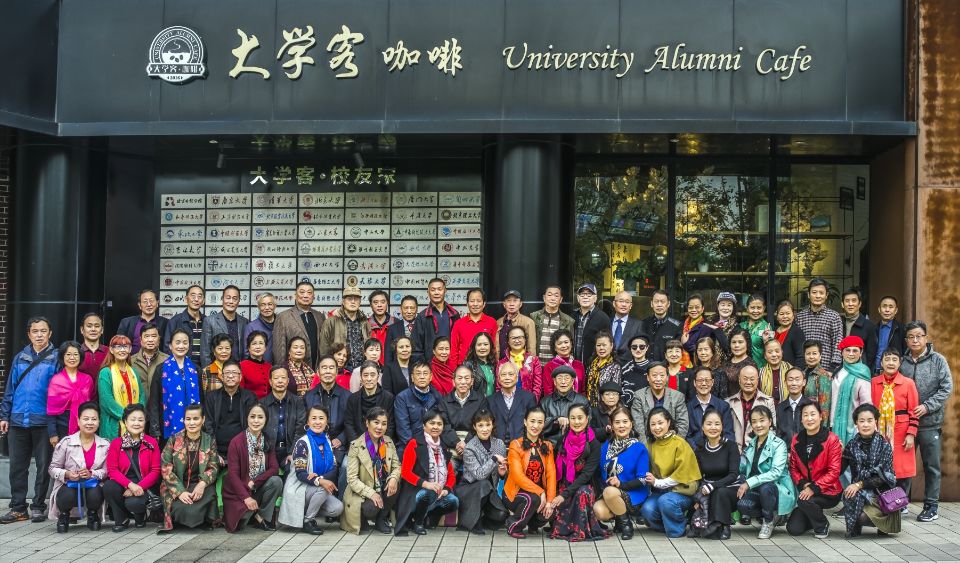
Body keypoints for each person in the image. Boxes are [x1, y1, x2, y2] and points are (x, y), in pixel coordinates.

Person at [0, 317, 60, 524]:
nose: (39, 335)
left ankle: (38, 506)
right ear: (29, 334)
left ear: (50, 333)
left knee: (43, 467)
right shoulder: (20, 357)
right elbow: (10, 388)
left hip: (43, 420)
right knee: (17, 466)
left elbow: (58, 392)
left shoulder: (56, 358)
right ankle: (18, 507)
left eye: (43, 331)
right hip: (17, 419)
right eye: (35, 331)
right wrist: (4, 415)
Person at [899, 320, 952, 522]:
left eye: (919, 336)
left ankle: (931, 506)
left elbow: (946, 388)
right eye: (911, 337)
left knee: (931, 466)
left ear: (926, 338)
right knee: (904, 465)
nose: (915, 340)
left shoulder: (938, 360)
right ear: (906, 340)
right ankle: (901, 503)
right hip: (906, 425)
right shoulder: (901, 361)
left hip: (930, 423)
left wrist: (927, 406)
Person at [278, 405, 345, 535]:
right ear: (308, 422)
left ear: (326, 422)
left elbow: (334, 468)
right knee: (323, 488)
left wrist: (319, 478)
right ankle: (308, 521)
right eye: (314, 418)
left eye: (321, 418)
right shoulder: (302, 443)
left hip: (314, 489)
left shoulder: (327, 441)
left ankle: (305, 512)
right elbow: (300, 474)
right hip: (299, 488)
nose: (317, 422)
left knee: (337, 508)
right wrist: (319, 480)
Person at [547, 404, 609, 542]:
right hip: (564, 484)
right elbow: (555, 468)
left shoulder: (593, 443)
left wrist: (564, 494)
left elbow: (586, 475)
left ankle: (580, 530)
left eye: (580, 418)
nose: (576, 422)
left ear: (587, 419)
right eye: (573, 418)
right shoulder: (563, 440)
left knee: (582, 492)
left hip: (585, 485)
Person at [47, 402, 111, 533]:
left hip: (92, 484)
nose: (90, 423)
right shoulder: (66, 442)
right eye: (86, 419)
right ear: (78, 421)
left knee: (95, 493)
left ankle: (93, 515)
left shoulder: (105, 444)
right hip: (69, 484)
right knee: (67, 495)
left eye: (94, 419)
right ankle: (64, 516)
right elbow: (52, 468)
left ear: (99, 421)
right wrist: (67, 474)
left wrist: (92, 473)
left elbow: (107, 471)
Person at [394, 409, 459, 536]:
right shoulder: (414, 443)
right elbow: (405, 472)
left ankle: (428, 517)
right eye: (431, 423)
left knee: (453, 502)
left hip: (438, 491)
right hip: (416, 491)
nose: (435, 427)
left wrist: (446, 489)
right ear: (424, 426)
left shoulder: (443, 446)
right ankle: (418, 523)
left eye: (439, 424)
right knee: (427, 493)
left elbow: (451, 475)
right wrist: (426, 484)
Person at [158, 403, 220, 533]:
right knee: (185, 510)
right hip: (177, 485)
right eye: (188, 419)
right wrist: (180, 492)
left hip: (199, 486)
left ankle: (196, 518)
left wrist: (202, 484)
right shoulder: (174, 440)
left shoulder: (209, 440)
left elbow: (214, 467)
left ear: (203, 420)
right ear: (184, 420)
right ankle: (190, 518)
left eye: (196, 419)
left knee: (210, 492)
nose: (192, 423)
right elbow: (165, 468)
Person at [736, 405, 796, 539]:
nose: (758, 425)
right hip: (756, 489)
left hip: (777, 489)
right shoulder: (751, 444)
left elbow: (775, 473)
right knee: (743, 505)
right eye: (754, 421)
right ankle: (773, 515)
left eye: (762, 420)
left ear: (770, 421)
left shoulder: (779, 444)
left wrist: (748, 483)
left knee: (766, 488)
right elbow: (743, 469)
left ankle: (768, 521)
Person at [841, 404, 901, 537]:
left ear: (876, 422)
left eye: (869, 420)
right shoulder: (851, 445)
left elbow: (884, 478)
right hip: (859, 494)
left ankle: (884, 524)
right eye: (861, 421)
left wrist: (859, 484)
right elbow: (838, 469)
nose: (865, 425)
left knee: (862, 517)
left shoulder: (884, 446)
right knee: (851, 495)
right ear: (856, 423)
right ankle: (855, 527)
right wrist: (834, 452)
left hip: (883, 496)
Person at [641, 407, 701, 538]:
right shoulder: (650, 444)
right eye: (653, 424)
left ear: (668, 423)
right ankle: (671, 525)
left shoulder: (680, 443)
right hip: (661, 491)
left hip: (683, 491)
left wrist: (657, 482)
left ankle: (677, 530)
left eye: (660, 423)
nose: (657, 427)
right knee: (647, 509)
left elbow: (680, 476)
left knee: (666, 501)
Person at [222, 404, 282, 533]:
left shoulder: (267, 440)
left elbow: (274, 468)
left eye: (260, 417)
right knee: (243, 516)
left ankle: (262, 517)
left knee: (276, 481)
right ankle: (252, 514)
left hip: (256, 487)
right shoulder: (236, 442)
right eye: (252, 416)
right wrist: (246, 498)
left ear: (266, 419)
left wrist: (256, 482)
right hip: (239, 492)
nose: (256, 421)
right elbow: (233, 475)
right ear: (247, 418)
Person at [787, 399, 842, 538]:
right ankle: (814, 516)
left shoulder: (832, 439)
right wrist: (804, 484)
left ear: (820, 416)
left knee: (804, 501)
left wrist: (813, 488)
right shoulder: (796, 439)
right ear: (801, 419)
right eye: (805, 415)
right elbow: (793, 467)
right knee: (794, 529)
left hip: (828, 490)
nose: (809, 418)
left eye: (813, 414)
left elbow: (834, 471)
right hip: (807, 489)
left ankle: (822, 524)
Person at [341, 406, 400, 534]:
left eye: (384, 424)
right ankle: (361, 518)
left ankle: (381, 519)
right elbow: (352, 479)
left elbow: (397, 466)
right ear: (367, 423)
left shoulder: (388, 442)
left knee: (396, 484)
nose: (380, 427)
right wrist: (371, 493)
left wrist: (394, 478)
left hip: (382, 486)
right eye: (376, 422)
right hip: (363, 492)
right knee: (371, 508)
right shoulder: (356, 446)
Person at [872, 349, 920, 504]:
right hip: (880, 430)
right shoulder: (874, 382)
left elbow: (913, 411)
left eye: (894, 360)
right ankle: (883, 502)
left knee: (902, 469)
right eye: (887, 359)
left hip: (901, 430)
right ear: (881, 363)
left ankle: (901, 503)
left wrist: (911, 434)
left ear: (900, 363)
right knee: (881, 466)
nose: (891, 363)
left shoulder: (908, 383)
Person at [593, 406, 648, 540]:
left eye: (625, 422)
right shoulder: (605, 447)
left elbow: (643, 480)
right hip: (611, 494)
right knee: (599, 511)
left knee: (609, 491)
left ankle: (626, 525)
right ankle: (619, 517)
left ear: (631, 424)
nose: (621, 426)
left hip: (633, 492)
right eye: (617, 422)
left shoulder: (639, 448)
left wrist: (621, 485)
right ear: (611, 426)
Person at [104, 404, 161, 531]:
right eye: (133, 419)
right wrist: (130, 485)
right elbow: (112, 470)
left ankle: (140, 515)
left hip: (144, 484)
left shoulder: (151, 443)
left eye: (140, 420)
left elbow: (155, 471)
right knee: (109, 487)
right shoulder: (116, 444)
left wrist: (138, 487)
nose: (136, 423)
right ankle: (121, 519)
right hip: (123, 483)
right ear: (125, 422)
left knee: (134, 503)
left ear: (145, 422)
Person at [503, 406, 557, 539]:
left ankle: (533, 524)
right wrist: (541, 492)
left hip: (538, 495)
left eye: (540, 422)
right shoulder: (515, 445)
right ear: (525, 422)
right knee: (532, 499)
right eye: (532, 421)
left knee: (553, 505)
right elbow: (517, 476)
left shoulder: (547, 446)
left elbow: (551, 475)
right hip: (515, 493)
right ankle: (513, 525)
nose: (535, 426)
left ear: (543, 424)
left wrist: (550, 501)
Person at [690, 408, 741, 540]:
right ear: (702, 427)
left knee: (720, 492)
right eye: (709, 424)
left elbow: (733, 475)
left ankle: (724, 526)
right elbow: (698, 476)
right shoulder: (700, 449)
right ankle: (703, 525)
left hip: (730, 489)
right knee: (699, 497)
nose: (713, 427)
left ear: (722, 426)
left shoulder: (731, 446)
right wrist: (698, 496)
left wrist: (713, 486)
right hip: (708, 488)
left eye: (717, 424)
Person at [455, 409, 508, 535]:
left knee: (501, 515)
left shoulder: (499, 444)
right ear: (475, 427)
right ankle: (473, 521)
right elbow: (479, 475)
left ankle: (482, 520)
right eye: (480, 425)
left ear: (492, 425)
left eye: (488, 424)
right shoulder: (469, 447)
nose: (485, 429)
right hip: (469, 489)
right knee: (484, 484)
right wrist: (494, 458)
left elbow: (502, 474)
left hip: (489, 491)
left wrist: (502, 474)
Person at [148, 329, 201, 442]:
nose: (181, 346)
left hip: (193, 425)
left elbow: (202, 399)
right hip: (167, 426)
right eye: (177, 342)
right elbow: (154, 402)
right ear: (170, 345)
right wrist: (155, 429)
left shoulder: (196, 369)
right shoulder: (161, 369)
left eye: (185, 342)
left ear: (189, 345)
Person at [202, 360, 256, 461]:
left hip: (242, 450)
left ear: (240, 377)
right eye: (227, 373)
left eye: (234, 373)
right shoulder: (212, 397)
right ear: (222, 377)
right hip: (218, 450)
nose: (230, 376)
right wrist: (214, 453)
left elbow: (253, 426)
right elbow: (208, 425)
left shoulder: (249, 397)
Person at [47, 341, 95, 442]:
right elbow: (51, 410)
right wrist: (53, 434)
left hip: (85, 427)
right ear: (62, 357)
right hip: (62, 427)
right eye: (68, 354)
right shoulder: (56, 380)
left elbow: (92, 405)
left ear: (80, 357)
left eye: (75, 354)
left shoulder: (87, 379)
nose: (72, 358)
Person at [302, 357, 347, 463]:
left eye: (331, 368)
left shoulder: (347, 396)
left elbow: (351, 423)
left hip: (338, 445)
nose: (328, 371)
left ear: (336, 372)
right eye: (324, 368)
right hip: (313, 443)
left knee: (338, 466)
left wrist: (341, 439)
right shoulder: (308, 397)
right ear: (318, 372)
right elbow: (303, 423)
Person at [98, 335, 143, 440]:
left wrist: (137, 416)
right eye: (118, 347)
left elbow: (142, 395)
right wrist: (128, 416)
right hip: (114, 424)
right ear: (111, 350)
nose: (122, 350)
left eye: (125, 346)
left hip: (135, 424)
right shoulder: (106, 372)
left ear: (130, 349)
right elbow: (106, 401)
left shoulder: (134, 372)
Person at [263, 366, 308, 469]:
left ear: (288, 381)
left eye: (283, 378)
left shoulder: (298, 402)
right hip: (269, 451)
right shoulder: (262, 404)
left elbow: (300, 429)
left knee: (294, 470)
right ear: (270, 382)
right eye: (276, 378)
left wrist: (293, 452)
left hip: (290, 449)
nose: (280, 381)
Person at [437, 366, 489, 457]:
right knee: (449, 463)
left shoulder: (480, 400)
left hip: (474, 444)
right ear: (453, 382)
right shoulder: (444, 402)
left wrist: (466, 443)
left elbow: (481, 424)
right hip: (451, 445)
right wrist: (457, 443)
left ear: (472, 381)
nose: (463, 382)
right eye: (460, 378)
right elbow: (444, 426)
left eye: (466, 378)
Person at [273, 281, 325, 369]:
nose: (305, 295)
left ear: (313, 296)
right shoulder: (283, 317)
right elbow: (279, 350)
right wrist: (281, 370)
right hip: (293, 371)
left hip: (316, 370)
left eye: (309, 293)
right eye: (302, 292)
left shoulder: (320, 316)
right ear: (295, 296)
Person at [631, 362, 689, 441]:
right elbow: (638, 425)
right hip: (648, 441)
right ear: (648, 377)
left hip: (671, 440)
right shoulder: (639, 396)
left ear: (667, 377)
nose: (658, 379)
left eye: (662, 375)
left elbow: (683, 424)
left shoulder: (677, 396)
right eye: (654, 375)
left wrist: (674, 444)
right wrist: (645, 446)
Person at [831, 336, 873, 444]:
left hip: (853, 427)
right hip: (833, 423)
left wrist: (862, 426)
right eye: (847, 350)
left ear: (861, 353)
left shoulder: (862, 373)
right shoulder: (838, 371)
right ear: (842, 352)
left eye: (855, 351)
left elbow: (866, 403)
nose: (851, 354)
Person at [795, 278, 844, 370]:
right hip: (804, 369)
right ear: (808, 294)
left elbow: (838, 343)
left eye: (821, 293)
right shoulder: (800, 317)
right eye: (814, 292)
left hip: (826, 369)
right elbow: (797, 344)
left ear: (826, 295)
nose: (818, 296)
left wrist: (833, 369)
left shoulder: (834, 317)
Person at [320, 287, 371, 372]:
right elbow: (323, 349)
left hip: (361, 369)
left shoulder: (365, 322)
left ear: (360, 302)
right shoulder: (331, 321)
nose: (353, 302)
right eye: (349, 299)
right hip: (340, 370)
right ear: (343, 301)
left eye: (356, 299)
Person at [726, 365, 777, 450]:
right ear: (739, 380)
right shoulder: (729, 402)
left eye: (752, 379)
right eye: (745, 379)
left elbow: (772, 429)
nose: (748, 382)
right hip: (734, 450)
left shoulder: (768, 402)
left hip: (758, 450)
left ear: (757, 380)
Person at [344, 361, 396, 444]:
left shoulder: (388, 398)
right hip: (358, 443)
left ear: (378, 376)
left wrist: (380, 444)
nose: (369, 379)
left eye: (372, 375)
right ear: (361, 377)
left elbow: (390, 425)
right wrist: (357, 444)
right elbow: (349, 424)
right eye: (365, 375)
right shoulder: (353, 399)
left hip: (382, 443)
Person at [394, 361, 443, 450]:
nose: (422, 377)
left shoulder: (437, 396)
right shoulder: (402, 398)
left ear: (430, 377)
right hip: (410, 445)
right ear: (412, 377)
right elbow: (403, 429)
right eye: (418, 374)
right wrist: (417, 447)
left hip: (433, 443)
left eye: (425, 373)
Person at [411, 278, 461, 363]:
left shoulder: (454, 315)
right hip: (429, 365)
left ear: (445, 291)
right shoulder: (422, 317)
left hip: (451, 364)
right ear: (428, 292)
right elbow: (416, 347)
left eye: (439, 289)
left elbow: (459, 342)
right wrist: (422, 366)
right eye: (433, 290)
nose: (436, 293)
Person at [488, 362, 538, 444]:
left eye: (511, 374)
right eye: (503, 375)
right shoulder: (490, 400)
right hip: (496, 446)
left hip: (522, 445)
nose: (507, 377)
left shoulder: (529, 398)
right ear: (499, 378)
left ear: (517, 378)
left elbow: (533, 423)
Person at [200, 286, 249, 368]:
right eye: (228, 298)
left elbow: (247, 349)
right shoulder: (209, 321)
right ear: (222, 299)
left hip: (238, 369)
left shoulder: (245, 322)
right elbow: (205, 351)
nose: (231, 301)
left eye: (235, 298)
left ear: (238, 301)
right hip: (217, 369)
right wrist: (210, 371)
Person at [540, 365, 590, 445]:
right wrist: (556, 421)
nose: (563, 382)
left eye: (567, 378)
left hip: (575, 446)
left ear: (572, 381)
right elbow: (539, 425)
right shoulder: (545, 402)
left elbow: (588, 425)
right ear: (554, 381)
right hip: (550, 446)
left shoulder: (582, 401)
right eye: (559, 378)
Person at [687, 367, 735, 445]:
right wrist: (697, 450)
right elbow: (688, 436)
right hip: (696, 450)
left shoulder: (723, 406)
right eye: (700, 380)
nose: (704, 384)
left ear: (712, 382)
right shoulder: (688, 407)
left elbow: (728, 434)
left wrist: (718, 450)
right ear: (694, 383)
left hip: (719, 449)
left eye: (707, 380)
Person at [450, 288, 497, 365]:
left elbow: (494, 348)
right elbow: (453, 350)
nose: (475, 304)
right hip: (463, 368)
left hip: (485, 366)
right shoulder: (458, 324)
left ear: (484, 304)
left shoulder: (492, 322)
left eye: (478, 301)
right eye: (472, 301)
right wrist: (454, 370)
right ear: (467, 303)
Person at [531, 285, 575, 365]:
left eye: (556, 296)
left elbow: (571, 346)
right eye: (549, 295)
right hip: (536, 365)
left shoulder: (568, 321)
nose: (553, 298)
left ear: (561, 299)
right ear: (544, 298)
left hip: (557, 366)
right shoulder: (534, 317)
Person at [497, 326, 544, 400]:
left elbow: (537, 386)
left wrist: (532, 402)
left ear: (525, 340)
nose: (517, 340)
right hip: (507, 402)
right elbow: (498, 387)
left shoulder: (533, 361)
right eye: (513, 338)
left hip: (528, 402)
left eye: (520, 337)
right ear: (508, 341)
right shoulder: (502, 363)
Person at [680, 294, 728, 367]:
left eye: (697, 307)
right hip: (681, 365)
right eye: (690, 307)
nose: (693, 310)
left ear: (702, 309)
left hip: (700, 366)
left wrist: (686, 344)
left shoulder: (707, 326)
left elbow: (705, 349)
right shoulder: (683, 325)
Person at [117, 289, 169, 355]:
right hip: (132, 360)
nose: (149, 304)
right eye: (145, 301)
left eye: (151, 301)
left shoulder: (165, 323)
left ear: (157, 303)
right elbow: (119, 345)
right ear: (139, 305)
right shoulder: (126, 322)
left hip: (159, 361)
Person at [163, 285, 205, 365]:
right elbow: (167, 347)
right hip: (182, 366)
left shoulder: (207, 321)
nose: (196, 299)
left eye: (199, 296)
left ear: (203, 301)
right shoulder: (175, 321)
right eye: (193, 296)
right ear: (186, 299)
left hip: (204, 367)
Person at [572, 283, 611, 368]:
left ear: (595, 298)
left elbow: (607, 343)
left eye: (589, 294)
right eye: (582, 294)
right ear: (578, 298)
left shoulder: (603, 318)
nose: (585, 297)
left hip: (593, 366)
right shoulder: (573, 316)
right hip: (573, 365)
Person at [131, 323, 169, 402]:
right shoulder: (131, 361)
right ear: (141, 340)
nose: (150, 340)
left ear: (159, 339)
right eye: (147, 336)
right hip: (138, 406)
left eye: (154, 336)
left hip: (160, 406)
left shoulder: (167, 361)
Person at [841, 288, 878, 369]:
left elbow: (871, 354)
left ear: (860, 304)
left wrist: (864, 370)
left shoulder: (869, 326)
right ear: (842, 304)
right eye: (847, 301)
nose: (850, 304)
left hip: (859, 370)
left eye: (854, 300)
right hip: (840, 368)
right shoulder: (838, 323)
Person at [641, 289, 682, 362]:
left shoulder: (676, 326)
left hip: (667, 366)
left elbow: (677, 350)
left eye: (662, 302)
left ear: (668, 304)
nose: (659, 305)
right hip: (647, 365)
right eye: (656, 301)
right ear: (651, 304)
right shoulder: (644, 323)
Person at [495, 290, 537, 360]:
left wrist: (531, 364)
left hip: (520, 363)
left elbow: (531, 348)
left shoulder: (528, 322)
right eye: (508, 301)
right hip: (501, 363)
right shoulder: (498, 322)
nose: (511, 304)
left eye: (515, 301)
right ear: (504, 304)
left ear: (520, 304)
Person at [543, 329, 585, 396]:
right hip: (556, 402)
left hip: (578, 402)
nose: (564, 346)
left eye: (566, 342)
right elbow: (548, 393)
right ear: (555, 348)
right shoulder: (549, 366)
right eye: (559, 343)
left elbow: (583, 390)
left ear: (571, 344)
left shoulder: (579, 365)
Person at [585, 331, 620, 407]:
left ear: (611, 346)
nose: (601, 348)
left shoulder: (615, 367)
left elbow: (615, 392)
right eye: (598, 345)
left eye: (604, 345)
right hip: (589, 407)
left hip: (606, 408)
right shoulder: (591, 365)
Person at [802, 340, 833, 425]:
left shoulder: (823, 375)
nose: (811, 357)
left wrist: (822, 426)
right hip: (804, 418)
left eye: (814, 353)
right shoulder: (802, 373)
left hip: (815, 421)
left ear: (820, 356)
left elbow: (825, 405)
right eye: (808, 354)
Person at [775, 368, 809, 445]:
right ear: (785, 383)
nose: (794, 383)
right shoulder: (780, 408)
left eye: (797, 379)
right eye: (790, 380)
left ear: (804, 382)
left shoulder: (810, 406)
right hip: (785, 450)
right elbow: (778, 434)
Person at [610, 291, 646, 363]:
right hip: (607, 364)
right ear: (614, 303)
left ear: (631, 305)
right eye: (621, 301)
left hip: (629, 365)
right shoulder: (606, 322)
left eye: (627, 302)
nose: (624, 304)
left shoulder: (638, 325)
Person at [720, 329, 756, 397]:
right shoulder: (726, 362)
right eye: (733, 342)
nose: (736, 345)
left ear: (747, 344)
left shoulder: (750, 365)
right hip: (722, 402)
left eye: (740, 342)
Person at [739, 294, 771, 369]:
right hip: (742, 368)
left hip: (760, 368)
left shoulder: (767, 327)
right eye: (752, 308)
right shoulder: (741, 326)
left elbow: (771, 351)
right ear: (747, 308)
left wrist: (766, 341)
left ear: (764, 308)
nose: (756, 311)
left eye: (759, 308)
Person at [243, 293, 276, 364]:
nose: (266, 308)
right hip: (259, 367)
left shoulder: (281, 323)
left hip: (280, 367)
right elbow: (246, 352)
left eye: (270, 304)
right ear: (258, 307)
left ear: (275, 305)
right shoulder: (251, 327)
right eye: (263, 305)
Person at [384, 295, 418, 365]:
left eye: (412, 308)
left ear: (417, 309)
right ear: (401, 309)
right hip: (397, 368)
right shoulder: (392, 329)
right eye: (406, 308)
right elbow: (388, 354)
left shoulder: (422, 326)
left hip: (418, 368)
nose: (409, 311)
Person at [78, 313, 107, 394]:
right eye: (89, 326)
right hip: (82, 399)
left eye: (97, 326)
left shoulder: (109, 352)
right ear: (82, 330)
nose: (93, 329)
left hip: (104, 398)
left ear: (102, 330)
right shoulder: (76, 353)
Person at [874, 296, 905, 371]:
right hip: (875, 371)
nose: (887, 310)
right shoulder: (873, 329)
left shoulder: (902, 329)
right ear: (879, 309)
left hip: (894, 371)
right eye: (884, 306)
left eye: (891, 307)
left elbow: (905, 353)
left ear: (896, 310)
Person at [618, 334, 650, 407]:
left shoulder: (653, 367)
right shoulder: (624, 369)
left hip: (648, 407)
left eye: (642, 347)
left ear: (647, 348)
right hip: (627, 408)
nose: (638, 349)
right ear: (630, 349)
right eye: (634, 347)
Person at [773, 300, 806, 367]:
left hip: (790, 371)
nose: (785, 316)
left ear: (793, 315)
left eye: (788, 313)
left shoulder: (797, 332)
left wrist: (795, 371)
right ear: (777, 315)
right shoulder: (773, 331)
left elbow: (801, 357)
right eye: (781, 314)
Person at [240, 331, 272, 400]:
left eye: (261, 343)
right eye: (254, 343)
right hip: (250, 404)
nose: (258, 347)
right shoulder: (242, 366)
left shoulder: (269, 367)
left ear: (265, 347)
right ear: (248, 348)